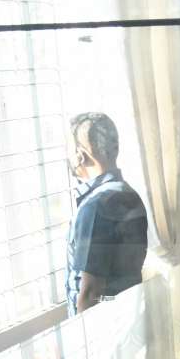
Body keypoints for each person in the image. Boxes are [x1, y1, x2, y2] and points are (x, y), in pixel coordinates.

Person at [66, 112, 147, 316]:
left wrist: (81, 332)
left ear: (80, 155)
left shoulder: (95, 207)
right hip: (128, 316)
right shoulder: (129, 194)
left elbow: (91, 293)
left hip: (102, 325)